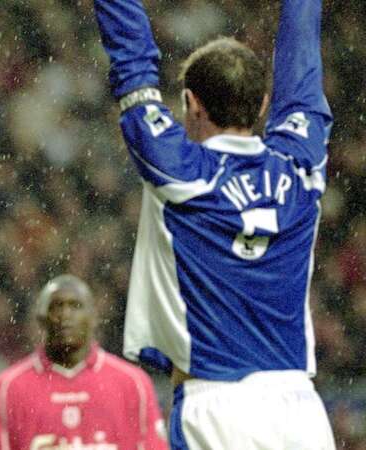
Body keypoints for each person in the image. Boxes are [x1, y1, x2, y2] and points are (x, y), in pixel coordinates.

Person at [92, 0, 335, 448]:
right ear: (263, 105)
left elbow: (132, 60)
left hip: (215, 406)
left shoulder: (178, 171)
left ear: (190, 104)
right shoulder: (302, 170)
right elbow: (302, 77)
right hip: (300, 410)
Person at [0, 275, 167, 450]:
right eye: (56, 306)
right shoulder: (7, 389)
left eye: (75, 306)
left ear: (94, 317)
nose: (65, 315)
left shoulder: (133, 384)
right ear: (40, 319)